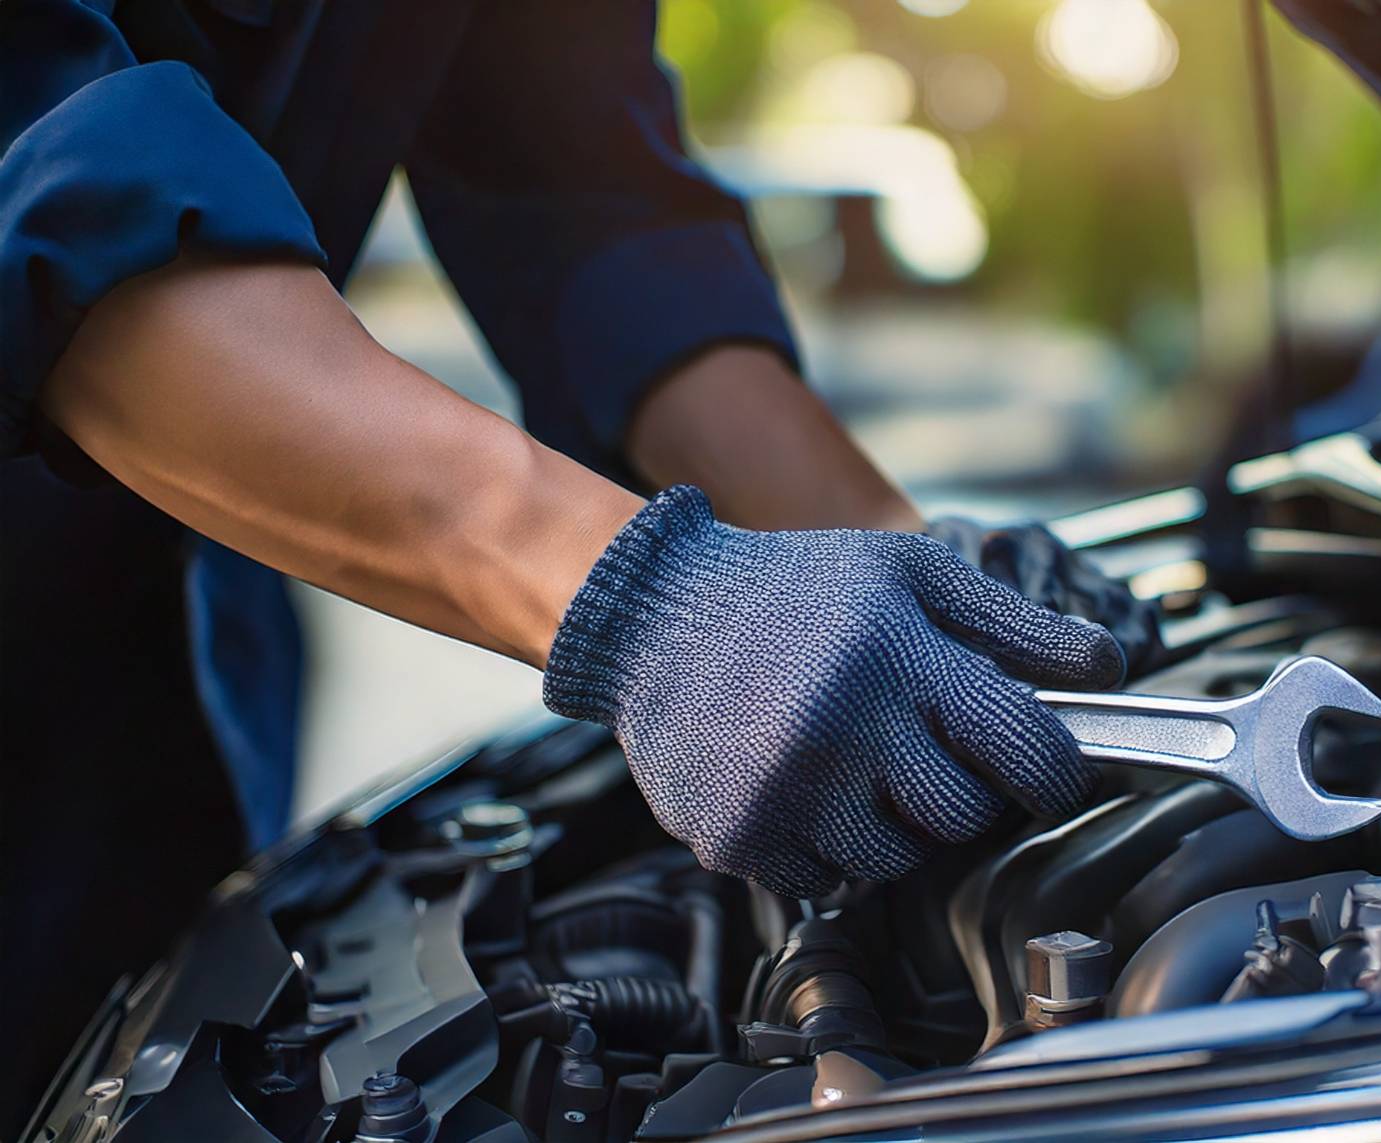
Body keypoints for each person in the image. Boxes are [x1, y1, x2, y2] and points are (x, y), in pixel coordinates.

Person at [0, 0, 1159, 1121]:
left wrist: (894, 562)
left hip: (160, 631)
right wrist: (652, 605)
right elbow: (44, 158)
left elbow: (580, 184)